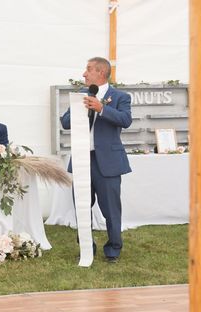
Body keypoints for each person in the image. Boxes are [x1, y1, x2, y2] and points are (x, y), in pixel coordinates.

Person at [61, 57, 132, 263]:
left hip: (108, 162)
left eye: (89, 69)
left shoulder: (120, 96)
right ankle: (86, 247)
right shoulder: (80, 95)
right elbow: (65, 123)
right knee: (82, 206)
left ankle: (113, 250)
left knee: (111, 209)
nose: (84, 74)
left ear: (101, 72)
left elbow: (125, 120)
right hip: (83, 160)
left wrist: (101, 108)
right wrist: (78, 108)